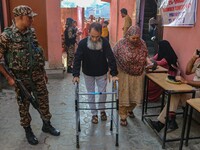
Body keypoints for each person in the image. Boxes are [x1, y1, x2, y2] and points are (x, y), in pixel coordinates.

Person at [0, 5, 60, 145]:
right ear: (20, 17)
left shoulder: (31, 32)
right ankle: (28, 130)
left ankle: (46, 124)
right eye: (29, 17)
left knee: (43, 100)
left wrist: (43, 71)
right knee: (24, 105)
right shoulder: (6, 36)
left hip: (37, 74)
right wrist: (8, 78)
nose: (32, 20)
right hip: (21, 78)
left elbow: (36, 52)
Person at [72, 22, 118, 124]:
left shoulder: (105, 43)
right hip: (88, 72)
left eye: (97, 37)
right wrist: (76, 75)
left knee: (103, 93)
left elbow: (110, 57)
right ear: (88, 33)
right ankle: (94, 114)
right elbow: (77, 59)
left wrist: (114, 74)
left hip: (102, 72)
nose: (94, 39)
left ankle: (102, 110)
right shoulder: (83, 43)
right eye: (92, 36)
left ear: (101, 34)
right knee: (91, 93)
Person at [148, 49, 200, 133]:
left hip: (198, 94)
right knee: (175, 93)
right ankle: (170, 121)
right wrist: (193, 58)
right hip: (193, 90)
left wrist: (186, 81)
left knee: (175, 95)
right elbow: (188, 71)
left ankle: (163, 123)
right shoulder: (199, 63)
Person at [113, 25, 148, 126]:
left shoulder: (142, 44)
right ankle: (123, 116)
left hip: (138, 74)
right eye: (133, 38)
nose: (135, 40)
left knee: (136, 94)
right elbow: (113, 56)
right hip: (123, 74)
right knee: (124, 95)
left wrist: (148, 63)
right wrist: (112, 72)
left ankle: (130, 109)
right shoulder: (120, 44)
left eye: (137, 38)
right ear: (128, 36)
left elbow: (145, 55)